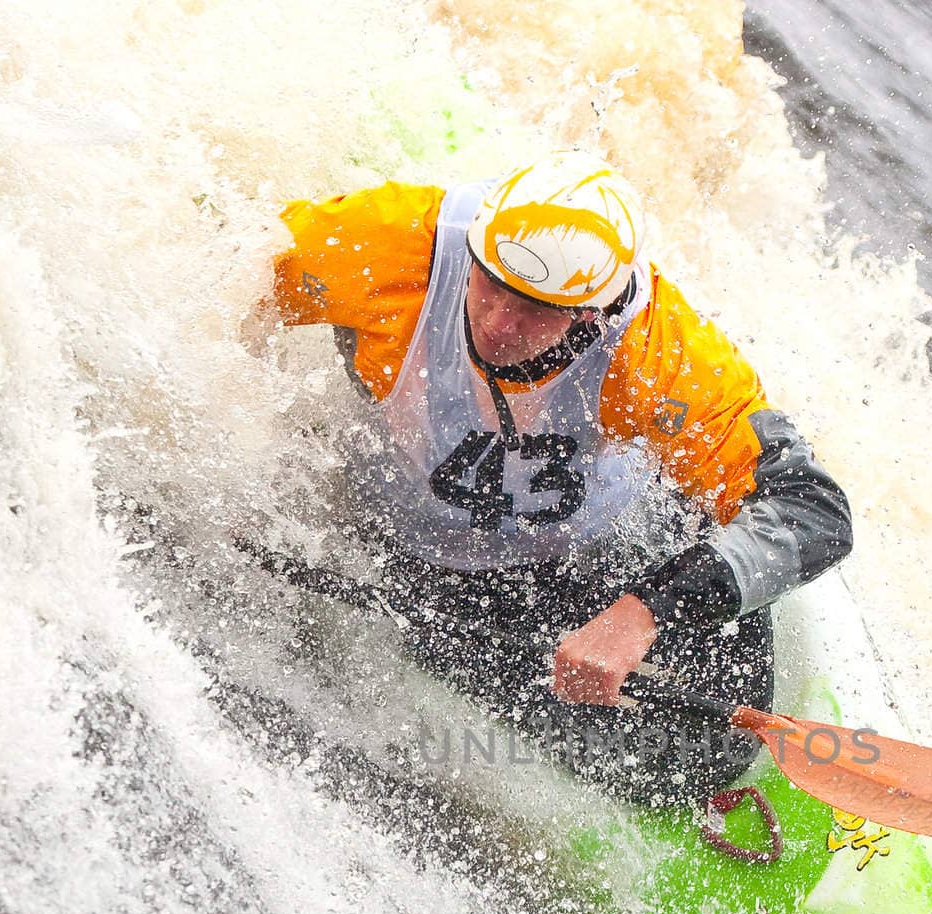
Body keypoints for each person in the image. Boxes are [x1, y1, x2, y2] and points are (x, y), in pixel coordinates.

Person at [263, 150, 852, 806]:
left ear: (590, 316)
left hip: (579, 563)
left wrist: (642, 615)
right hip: (403, 541)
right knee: (453, 651)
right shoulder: (385, 244)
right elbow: (203, 275)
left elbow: (813, 511)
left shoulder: (659, 352)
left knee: (707, 755)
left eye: (536, 310)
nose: (498, 324)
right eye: (491, 284)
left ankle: (698, 785)